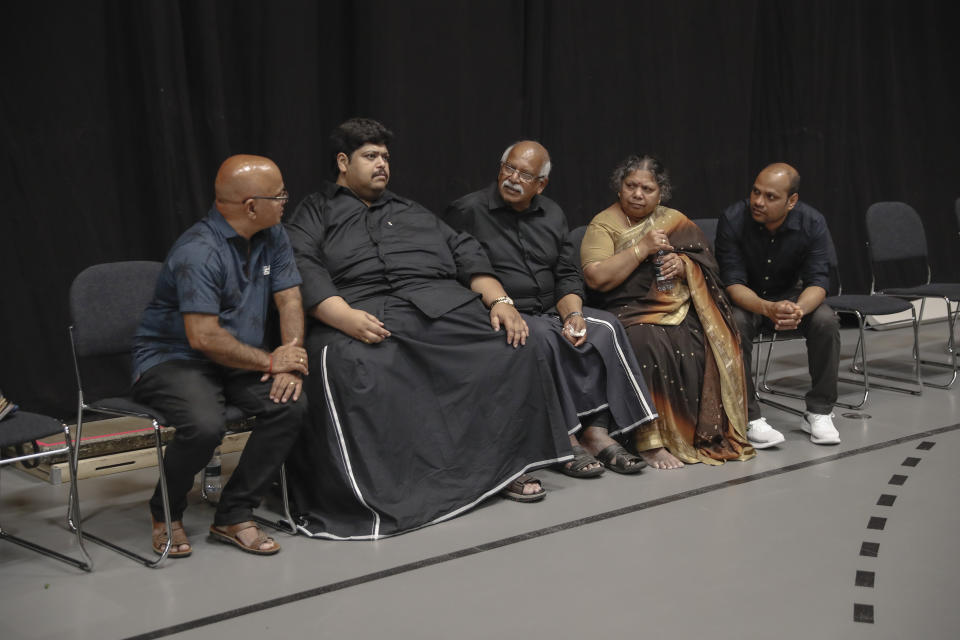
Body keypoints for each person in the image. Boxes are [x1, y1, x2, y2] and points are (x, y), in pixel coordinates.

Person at [284, 118, 573, 539]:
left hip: (440, 306)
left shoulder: (409, 209)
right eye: (370, 156)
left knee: (514, 343)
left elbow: (465, 252)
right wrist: (341, 315)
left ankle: (505, 469)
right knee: (354, 365)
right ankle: (396, 489)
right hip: (362, 309)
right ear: (343, 162)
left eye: (385, 156)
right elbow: (301, 264)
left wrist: (502, 302)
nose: (382, 164)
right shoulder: (315, 211)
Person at [443, 141, 657, 477]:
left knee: (605, 327)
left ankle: (598, 432)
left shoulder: (553, 213)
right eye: (508, 168)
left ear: (541, 184)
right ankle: (566, 439)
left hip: (550, 308)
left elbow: (565, 274)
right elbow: (459, 271)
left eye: (525, 175)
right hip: (501, 312)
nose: (512, 178)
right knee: (542, 337)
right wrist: (500, 304)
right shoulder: (467, 211)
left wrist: (573, 314)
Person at [132, 154, 307, 557]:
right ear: (251, 206)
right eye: (279, 195)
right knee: (205, 425)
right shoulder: (198, 251)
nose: (286, 202)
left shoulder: (274, 234)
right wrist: (269, 362)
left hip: (236, 359)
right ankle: (165, 510)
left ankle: (233, 513)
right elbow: (203, 337)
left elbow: (290, 298)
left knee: (288, 404)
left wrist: (292, 354)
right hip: (174, 359)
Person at [581, 154, 755, 469]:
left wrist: (684, 265)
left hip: (676, 305)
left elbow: (709, 267)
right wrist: (641, 249)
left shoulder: (675, 220)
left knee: (710, 337)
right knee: (645, 342)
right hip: (625, 310)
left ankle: (697, 433)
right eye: (630, 185)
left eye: (646, 188)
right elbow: (595, 277)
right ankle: (650, 441)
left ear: (660, 193)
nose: (637, 194)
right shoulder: (603, 223)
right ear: (619, 188)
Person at [715, 163, 841, 446]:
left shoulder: (812, 222)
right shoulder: (733, 219)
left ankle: (818, 412)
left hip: (792, 297)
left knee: (826, 320)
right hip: (747, 299)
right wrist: (767, 308)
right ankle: (748, 418)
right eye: (755, 192)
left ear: (791, 201)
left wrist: (798, 309)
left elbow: (818, 281)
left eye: (770, 197)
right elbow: (732, 283)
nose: (758, 202)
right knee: (734, 321)